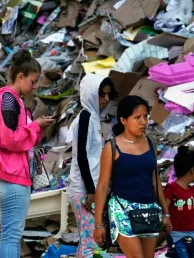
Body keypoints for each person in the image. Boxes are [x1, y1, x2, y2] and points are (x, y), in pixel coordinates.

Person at [0, 49, 54, 258]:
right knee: (12, 237)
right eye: (33, 81)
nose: (35, 86)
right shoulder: (9, 100)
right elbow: (10, 139)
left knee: (9, 235)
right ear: (20, 76)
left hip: (4, 174)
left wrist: (37, 127)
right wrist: (35, 126)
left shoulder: (4, 99)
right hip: (11, 176)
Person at [94, 95, 171, 258]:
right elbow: (102, 186)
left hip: (149, 209)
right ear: (123, 120)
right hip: (122, 209)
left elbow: (155, 179)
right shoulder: (111, 148)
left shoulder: (150, 143)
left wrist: (166, 213)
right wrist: (98, 224)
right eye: (137, 118)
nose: (143, 122)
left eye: (145, 116)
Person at [67, 74, 118, 257]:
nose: (105, 100)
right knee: (91, 243)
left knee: (87, 242)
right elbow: (82, 156)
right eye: (101, 95)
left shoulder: (94, 118)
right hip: (83, 190)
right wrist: (91, 190)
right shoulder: (86, 118)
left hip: (91, 188)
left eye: (107, 95)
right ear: (90, 94)